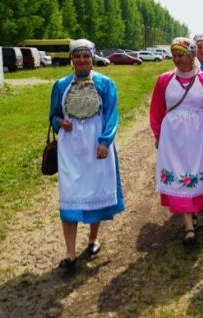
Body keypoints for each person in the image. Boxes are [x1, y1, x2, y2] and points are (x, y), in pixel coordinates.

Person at [49, 39, 124, 273]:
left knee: (95, 189)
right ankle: (70, 253)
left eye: (86, 56)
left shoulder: (105, 83)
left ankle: (93, 240)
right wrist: (59, 122)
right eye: (77, 56)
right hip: (70, 147)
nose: (82, 60)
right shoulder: (61, 85)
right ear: (71, 58)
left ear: (92, 57)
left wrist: (105, 141)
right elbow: (53, 114)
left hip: (95, 143)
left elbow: (112, 115)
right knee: (70, 192)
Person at [149, 37, 203, 247]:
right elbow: (156, 110)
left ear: (192, 55)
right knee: (178, 173)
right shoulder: (164, 80)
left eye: (180, 55)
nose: (176, 59)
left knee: (195, 171)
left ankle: (192, 211)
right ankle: (188, 227)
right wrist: (158, 135)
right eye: (174, 55)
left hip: (198, 135)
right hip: (172, 136)